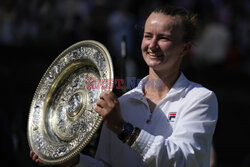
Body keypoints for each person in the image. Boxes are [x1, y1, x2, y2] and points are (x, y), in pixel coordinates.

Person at [30, 5, 218, 167]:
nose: (152, 45)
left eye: (163, 38)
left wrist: (123, 129)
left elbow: (181, 161)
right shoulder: (122, 103)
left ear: (185, 48)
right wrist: (73, 162)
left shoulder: (200, 99)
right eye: (147, 36)